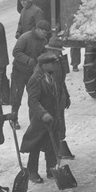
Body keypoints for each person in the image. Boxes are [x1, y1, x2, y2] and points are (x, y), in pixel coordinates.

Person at [19, 52, 65, 184]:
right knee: (36, 145)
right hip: (40, 119)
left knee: (52, 144)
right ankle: (32, 172)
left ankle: (51, 169)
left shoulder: (50, 76)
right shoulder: (35, 79)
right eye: (51, 64)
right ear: (44, 65)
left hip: (52, 117)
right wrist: (43, 114)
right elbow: (33, 101)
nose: (53, 66)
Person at [11, 20, 51, 128]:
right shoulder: (25, 37)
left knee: (33, 98)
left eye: (46, 33)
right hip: (18, 72)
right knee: (16, 96)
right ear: (38, 29)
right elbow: (16, 52)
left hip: (31, 73)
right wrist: (28, 60)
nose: (45, 35)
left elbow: (44, 53)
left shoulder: (44, 41)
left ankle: (33, 121)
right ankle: (13, 119)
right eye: (44, 32)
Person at [44, 36, 75, 159]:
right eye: (57, 51)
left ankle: (60, 146)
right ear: (51, 50)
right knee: (55, 124)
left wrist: (66, 95)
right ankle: (55, 149)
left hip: (60, 97)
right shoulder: (46, 65)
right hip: (52, 99)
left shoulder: (59, 61)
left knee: (60, 122)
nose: (60, 53)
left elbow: (62, 82)